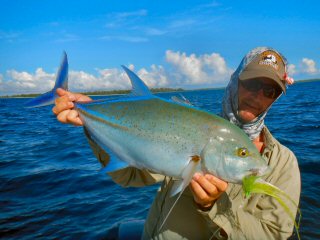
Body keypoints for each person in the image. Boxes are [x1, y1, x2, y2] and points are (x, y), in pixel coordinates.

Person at [52, 47, 300, 239]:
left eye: (270, 91)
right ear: (235, 81)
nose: (259, 96)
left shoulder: (282, 162)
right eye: (253, 84)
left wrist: (213, 207)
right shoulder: (187, 125)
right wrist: (88, 121)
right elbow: (129, 176)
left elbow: (273, 235)